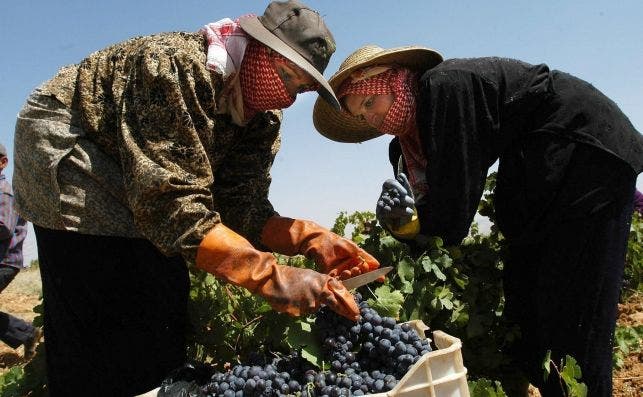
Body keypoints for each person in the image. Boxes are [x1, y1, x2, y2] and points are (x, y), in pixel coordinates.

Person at [12, 2, 380, 395]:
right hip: (72, 150)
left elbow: (243, 207)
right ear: (257, 47)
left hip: (139, 178)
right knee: (103, 293)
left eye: (300, 89)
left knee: (164, 296)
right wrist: (271, 278)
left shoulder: (262, 117)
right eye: (288, 76)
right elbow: (170, 205)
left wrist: (310, 238)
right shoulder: (173, 68)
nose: (288, 98)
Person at [312, 45, 643, 397]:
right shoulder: (405, 147)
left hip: (586, 153)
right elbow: (435, 209)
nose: (372, 120)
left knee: (575, 315)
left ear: (392, 79)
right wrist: (404, 226)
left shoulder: (444, 89)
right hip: (542, 170)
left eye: (369, 103)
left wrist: (413, 227)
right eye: (361, 116)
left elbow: (453, 214)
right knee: (527, 303)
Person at [0, 143, 39, 359]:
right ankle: (26, 333)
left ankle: (26, 332)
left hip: (4, 261)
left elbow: (4, 227)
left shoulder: (4, 192)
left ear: (3, 163)